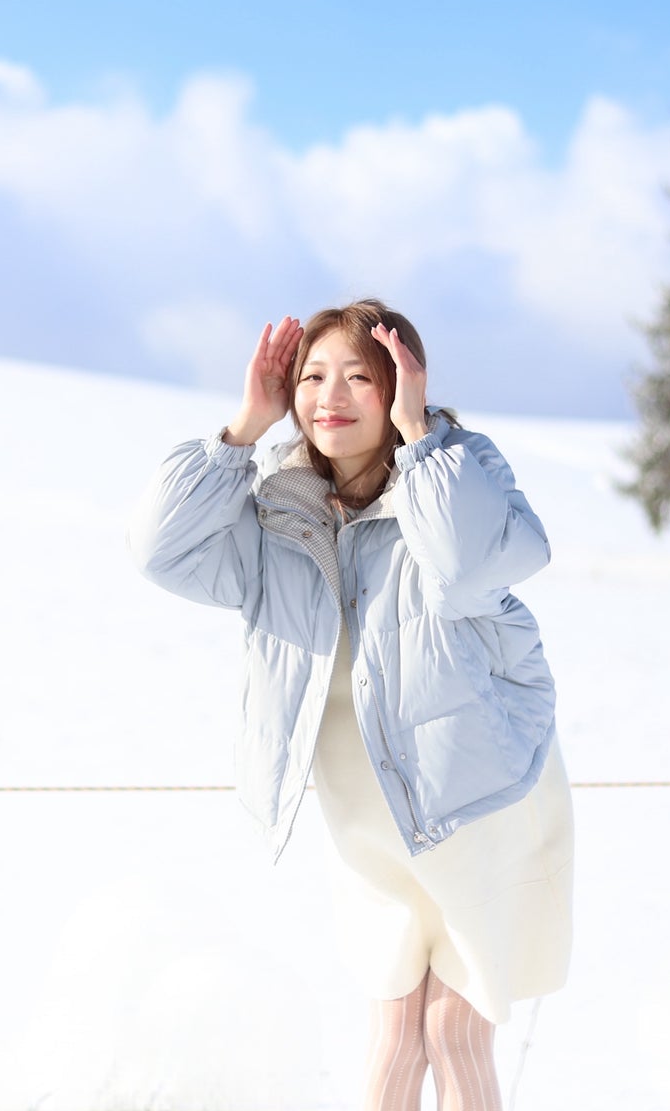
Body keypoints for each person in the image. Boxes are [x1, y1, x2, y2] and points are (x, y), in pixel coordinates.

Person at [126, 298, 573, 1111]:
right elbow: (161, 550)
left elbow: (468, 565)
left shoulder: (458, 469)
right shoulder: (278, 509)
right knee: (395, 1035)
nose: (330, 396)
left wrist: (419, 436)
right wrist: (243, 428)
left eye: (359, 377)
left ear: (401, 383)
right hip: (367, 819)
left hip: (482, 799)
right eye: (312, 377)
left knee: (453, 1030)